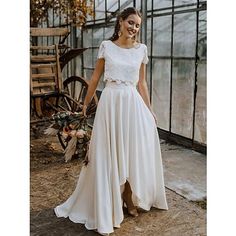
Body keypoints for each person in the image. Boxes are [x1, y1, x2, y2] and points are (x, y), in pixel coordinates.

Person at [54, 7, 168, 235]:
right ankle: (114, 199)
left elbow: (142, 83)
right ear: (121, 21)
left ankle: (129, 193)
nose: (134, 28)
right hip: (111, 103)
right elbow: (95, 78)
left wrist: (150, 110)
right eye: (131, 22)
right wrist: (86, 104)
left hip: (132, 104)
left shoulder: (141, 50)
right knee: (109, 153)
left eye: (137, 25)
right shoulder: (107, 46)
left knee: (131, 149)